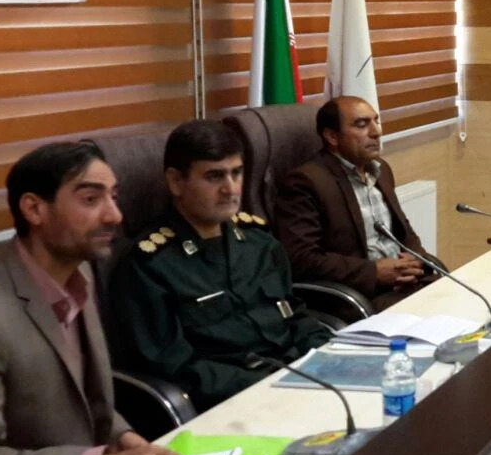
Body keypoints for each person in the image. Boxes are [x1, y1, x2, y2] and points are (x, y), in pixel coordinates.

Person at [0, 142, 188, 455]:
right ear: (34, 209)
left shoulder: (80, 269)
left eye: (114, 197)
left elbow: (81, 398)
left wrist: (123, 437)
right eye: (91, 199)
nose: (115, 215)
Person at [111, 121, 330, 413]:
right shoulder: (149, 265)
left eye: (236, 173)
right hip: (235, 402)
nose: (230, 189)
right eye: (214, 176)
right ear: (176, 182)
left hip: (299, 381)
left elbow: (294, 314)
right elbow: (174, 366)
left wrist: (329, 353)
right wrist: (274, 385)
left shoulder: (259, 242)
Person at [277, 97, 444, 310]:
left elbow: (403, 230)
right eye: (362, 124)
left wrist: (417, 260)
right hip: (365, 296)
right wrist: (374, 272)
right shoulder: (306, 182)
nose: (376, 132)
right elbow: (302, 259)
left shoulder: (381, 169)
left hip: (408, 284)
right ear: (332, 136)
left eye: (376, 121)